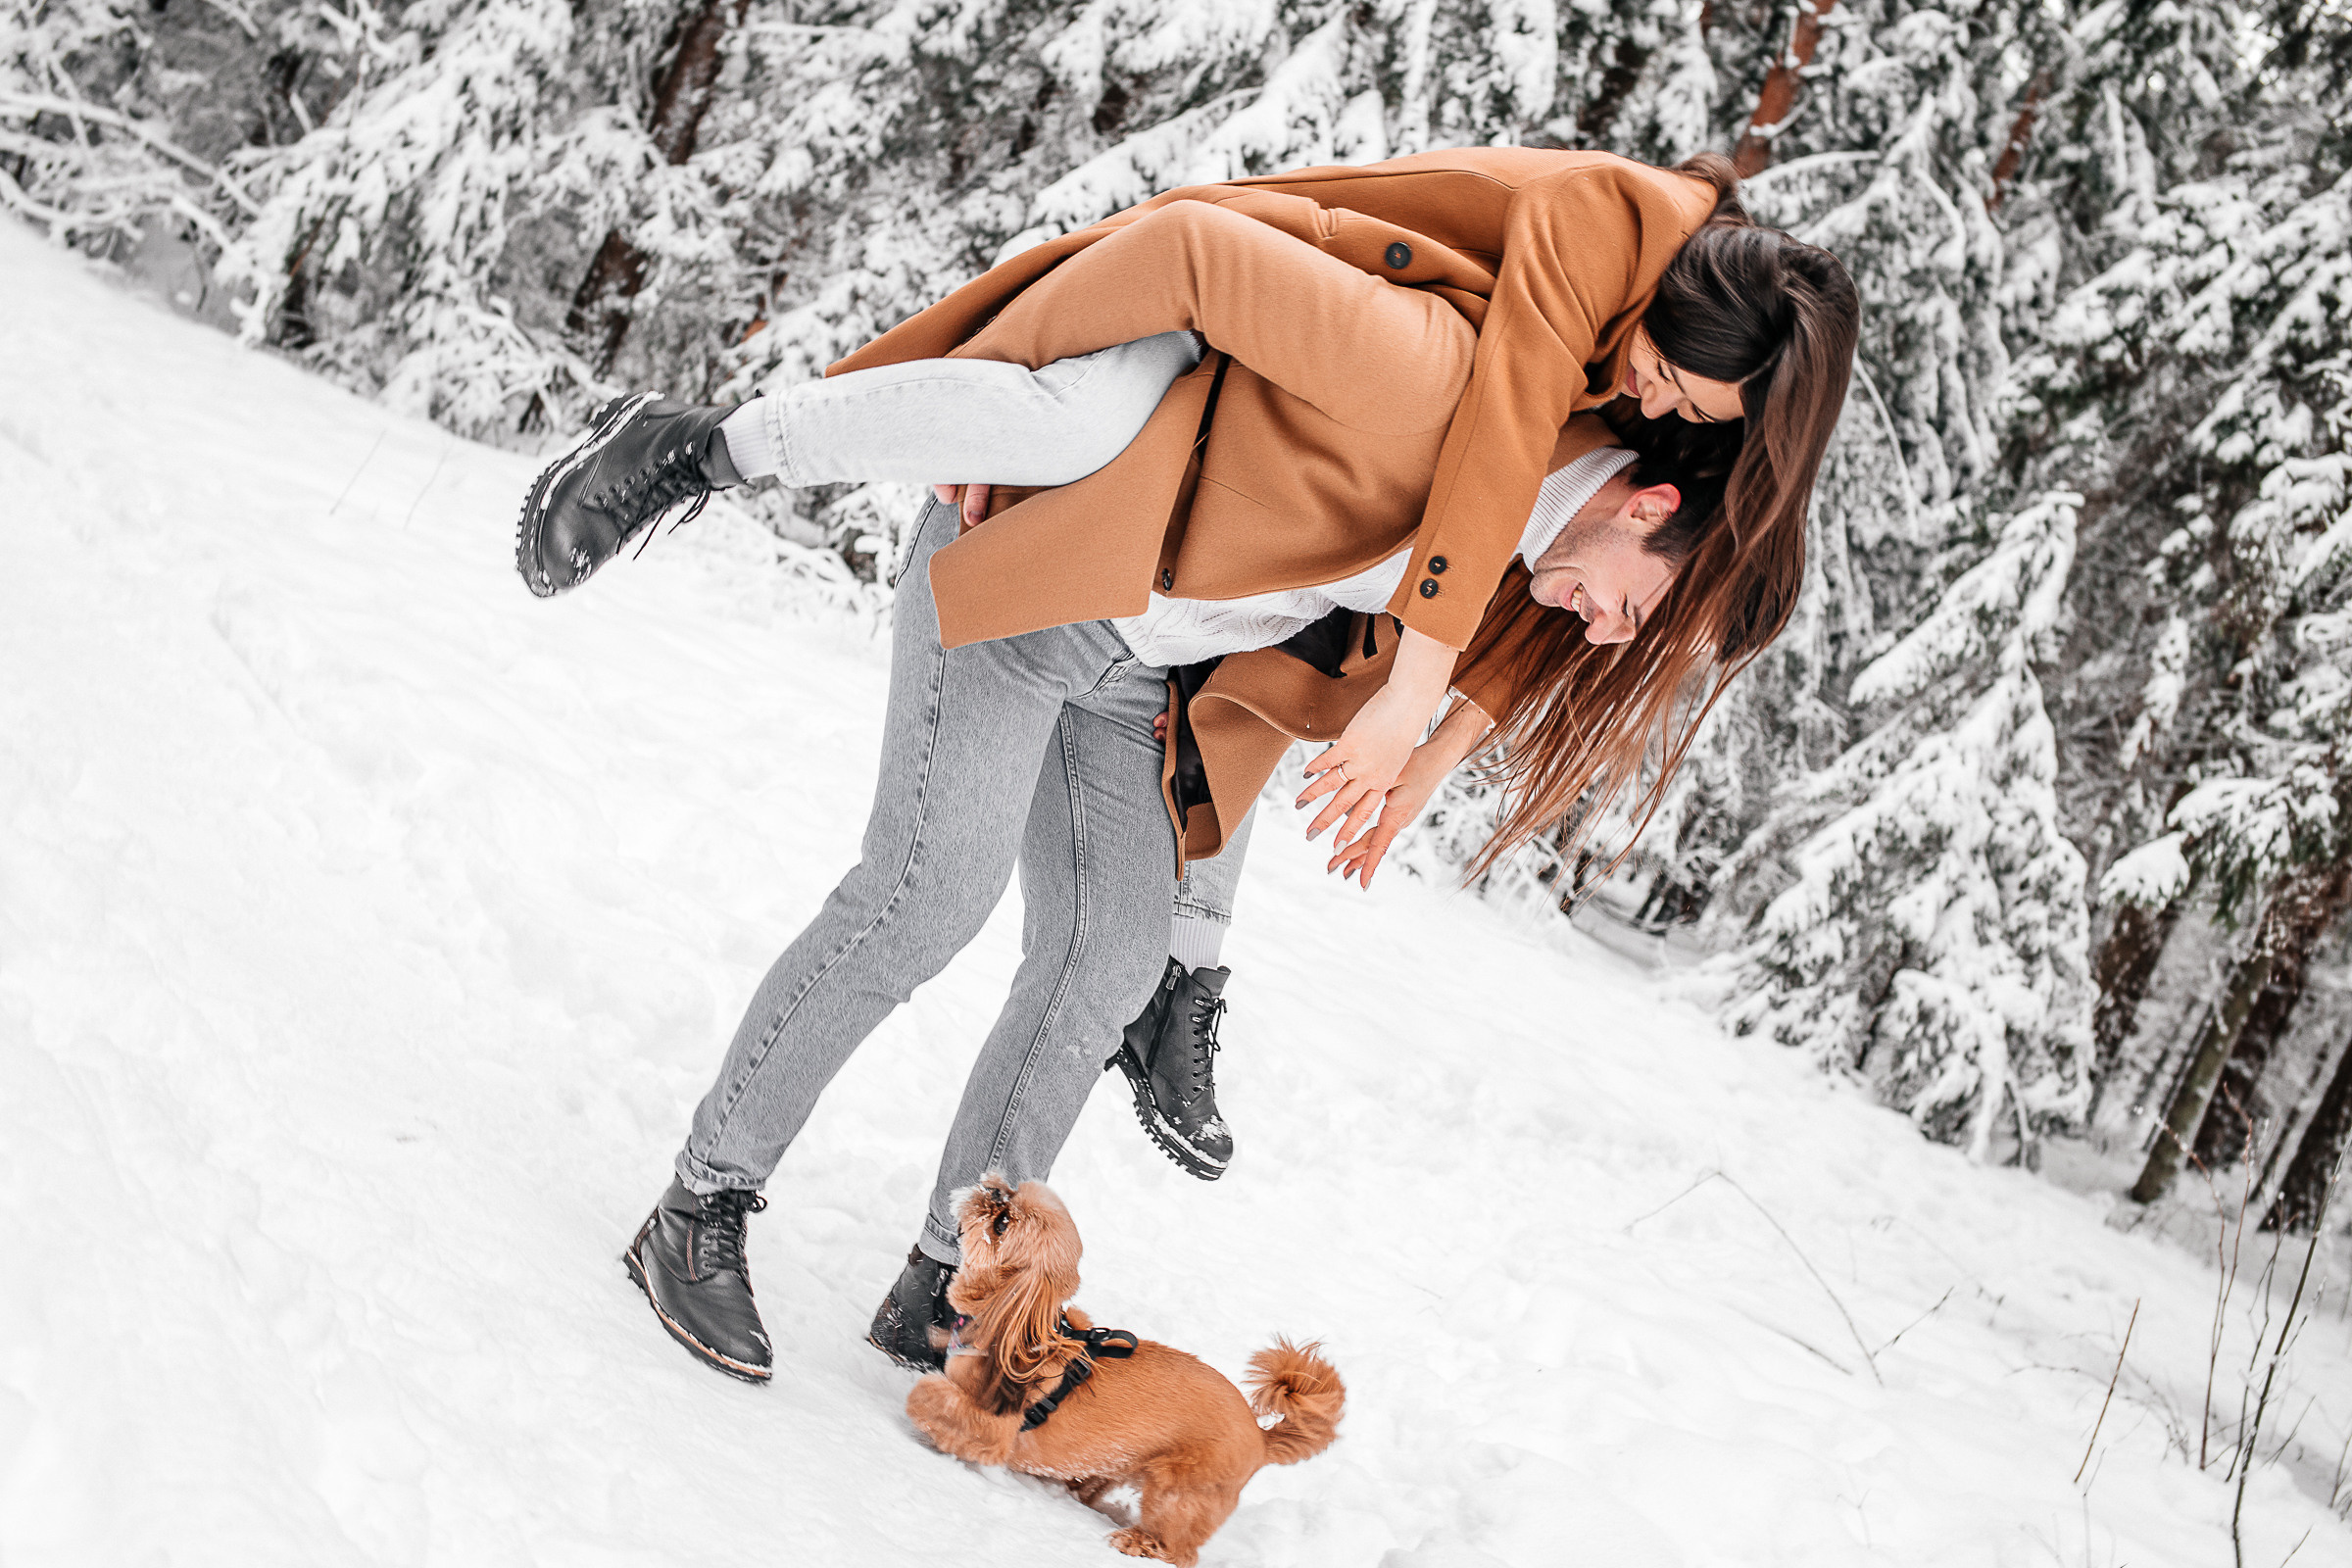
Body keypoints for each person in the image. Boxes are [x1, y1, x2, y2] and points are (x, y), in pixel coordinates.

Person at [514, 147, 1857, 1384]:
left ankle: (950, 1286)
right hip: (1039, 579)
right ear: (1648, 504)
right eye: (1638, 610)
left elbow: (1485, 667)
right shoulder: (1453, 384)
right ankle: (700, 1204)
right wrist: (1017, 396)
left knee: (1106, 957)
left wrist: (1414, 764)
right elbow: (1205, 254)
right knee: (929, 896)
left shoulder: (1537, 544)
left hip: (1136, 678)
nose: (1609, 632)